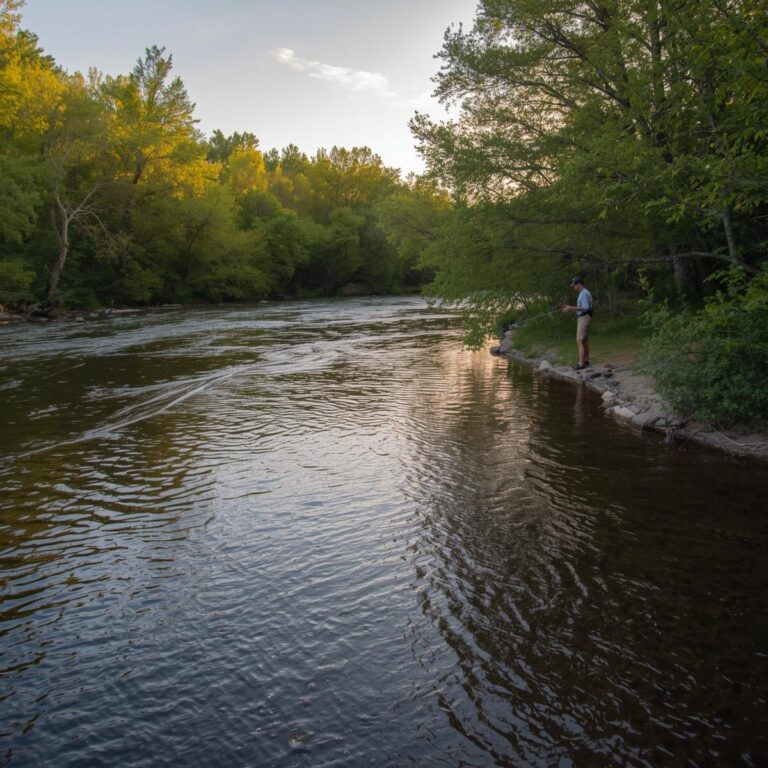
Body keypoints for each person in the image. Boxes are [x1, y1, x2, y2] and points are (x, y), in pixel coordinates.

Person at [560, 276, 593, 370]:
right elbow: (582, 307)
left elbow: (585, 307)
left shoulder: (584, 293)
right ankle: (586, 361)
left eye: (574, 285)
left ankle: (581, 364)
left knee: (579, 340)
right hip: (585, 317)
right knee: (584, 340)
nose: (573, 287)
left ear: (579, 284)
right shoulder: (584, 292)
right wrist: (570, 309)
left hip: (584, 318)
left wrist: (571, 308)